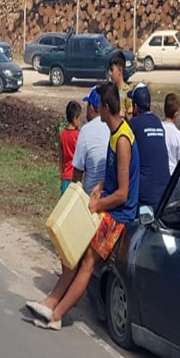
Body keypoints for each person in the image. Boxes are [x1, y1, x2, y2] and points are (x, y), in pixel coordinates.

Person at [28, 82, 139, 331]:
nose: (94, 111)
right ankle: (50, 301)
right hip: (108, 205)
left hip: (119, 214)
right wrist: (100, 185)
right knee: (75, 248)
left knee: (88, 260)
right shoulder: (115, 133)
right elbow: (112, 178)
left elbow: (123, 193)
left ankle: (57, 314)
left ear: (106, 108)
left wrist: (98, 202)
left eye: (98, 106)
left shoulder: (122, 140)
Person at [127, 83, 170, 207]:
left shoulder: (134, 124)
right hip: (165, 191)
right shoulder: (157, 122)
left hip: (145, 194)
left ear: (135, 107)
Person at [71, 88, 110, 195]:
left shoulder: (86, 130)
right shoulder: (112, 127)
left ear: (91, 107)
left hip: (91, 197)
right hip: (110, 196)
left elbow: (77, 174)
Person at [60, 101, 82, 195]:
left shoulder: (62, 135)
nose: (80, 121)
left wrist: (61, 176)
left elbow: (61, 158)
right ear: (75, 118)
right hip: (75, 178)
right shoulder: (78, 136)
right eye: (79, 118)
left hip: (65, 177)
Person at [163, 92, 180, 177]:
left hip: (162, 175)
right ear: (176, 114)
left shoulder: (160, 129)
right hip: (174, 176)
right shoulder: (177, 135)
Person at [108, 51, 133, 120]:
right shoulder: (110, 90)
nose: (110, 74)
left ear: (120, 70)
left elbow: (130, 118)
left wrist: (123, 114)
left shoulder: (128, 92)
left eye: (112, 70)